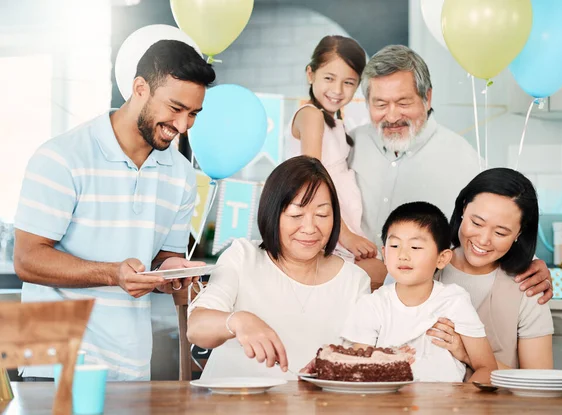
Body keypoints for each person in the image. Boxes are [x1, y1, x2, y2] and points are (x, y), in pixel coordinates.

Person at [13, 40, 216, 381]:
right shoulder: (62, 157)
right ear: (140, 88)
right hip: (53, 361)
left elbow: (163, 259)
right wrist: (113, 274)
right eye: (176, 108)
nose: (183, 126)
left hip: (130, 364)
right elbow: (28, 259)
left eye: (193, 113)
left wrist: (171, 274)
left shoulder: (180, 174)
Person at [350, 44, 553, 301]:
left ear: (428, 97)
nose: (392, 116)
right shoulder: (348, 146)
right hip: (353, 300)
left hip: (423, 307)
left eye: (403, 102)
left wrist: (531, 262)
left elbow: (499, 220)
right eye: (380, 104)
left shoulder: (464, 159)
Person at [186, 156, 371, 380]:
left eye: (322, 215)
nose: (310, 228)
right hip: (231, 403)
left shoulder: (353, 280)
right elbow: (196, 328)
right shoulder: (243, 257)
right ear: (273, 213)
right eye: (296, 215)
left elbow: (359, 359)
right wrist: (239, 320)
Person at [341, 202, 497, 383]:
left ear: (442, 258)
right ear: (384, 254)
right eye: (394, 246)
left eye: (415, 247)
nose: (403, 255)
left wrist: (464, 404)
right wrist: (387, 360)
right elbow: (357, 366)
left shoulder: (454, 301)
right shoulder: (372, 305)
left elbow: (486, 367)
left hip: (445, 404)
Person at [428, 168, 554, 370]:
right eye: (476, 223)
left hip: (499, 402)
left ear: (519, 233)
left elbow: (538, 381)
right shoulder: (422, 267)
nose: (483, 240)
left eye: (501, 232)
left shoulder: (528, 287)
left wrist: (468, 354)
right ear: (463, 209)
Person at [285, 35, 378, 265]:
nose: (337, 90)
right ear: (310, 74)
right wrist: (345, 235)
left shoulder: (335, 123)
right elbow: (313, 179)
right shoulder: (310, 116)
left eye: (348, 82)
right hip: (323, 222)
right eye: (329, 78)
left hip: (340, 221)